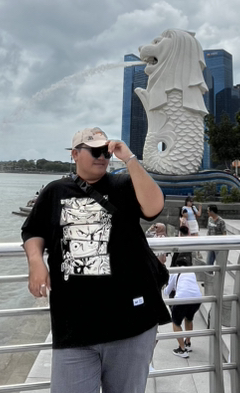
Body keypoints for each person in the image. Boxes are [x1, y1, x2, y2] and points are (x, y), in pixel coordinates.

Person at [21, 127, 171, 393]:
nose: (102, 157)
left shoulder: (123, 185)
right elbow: (33, 230)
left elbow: (154, 207)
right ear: (75, 155)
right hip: (74, 325)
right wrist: (36, 262)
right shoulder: (55, 191)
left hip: (131, 321)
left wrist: (130, 159)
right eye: (94, 151)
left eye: (106, 151)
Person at [164, 257, 202, 358]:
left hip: (182, 299)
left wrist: (164, 288)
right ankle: (188, 343)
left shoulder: (175, 272)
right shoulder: (191, 272)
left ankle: (182, 349)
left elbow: (167, 291)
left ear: (177, 265)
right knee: (189, 319)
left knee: (176, 322)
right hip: (197, 299)